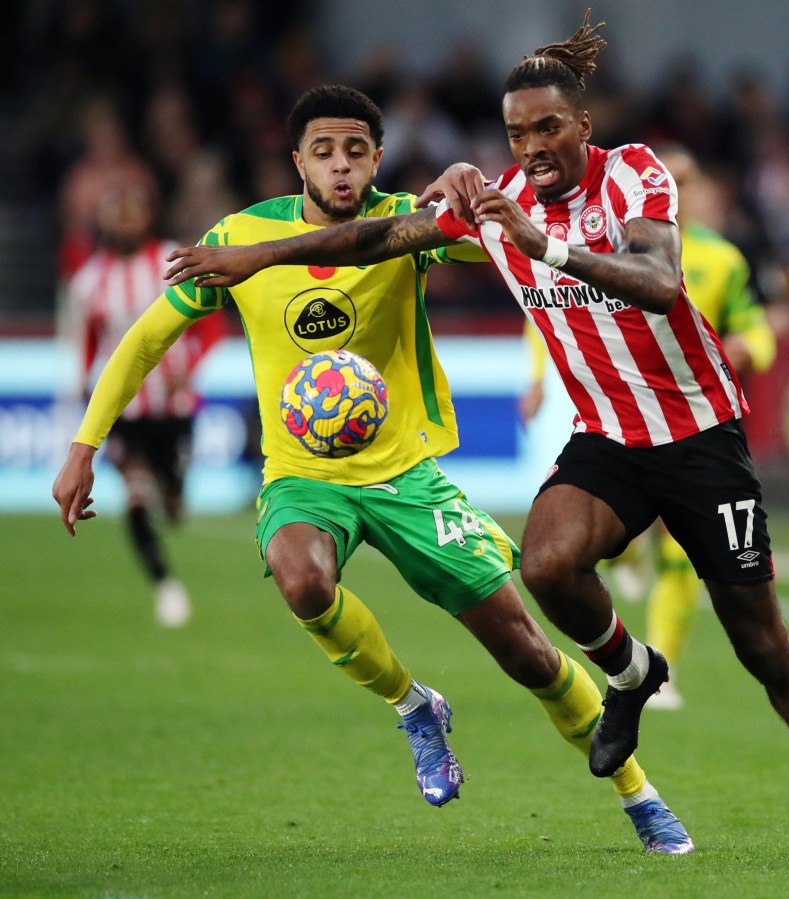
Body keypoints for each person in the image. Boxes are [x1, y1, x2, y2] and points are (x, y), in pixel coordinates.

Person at [162, 13, 789, 863]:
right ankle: (630, 674)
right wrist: (263, 258)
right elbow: (374, 237)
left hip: (699, 436)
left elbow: (660, 283)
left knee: (762, 648)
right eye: (518, 133)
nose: (535, 145)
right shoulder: (494, 205)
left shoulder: (633, 177)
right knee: (545, 563)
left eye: (549, 126)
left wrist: (540, 242)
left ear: (583, 125)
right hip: (610, 439)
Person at [53, 84, 694, 853]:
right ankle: (413, 704)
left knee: (527, 649)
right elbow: (148, 337)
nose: (341, 165)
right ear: (298, 162)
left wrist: (474, 185)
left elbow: (514, 238)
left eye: (356, 150)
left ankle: (641, 795)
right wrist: (85, 445)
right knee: (302, 579)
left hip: (409, 478)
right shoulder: (242, 237)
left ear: (379, 158)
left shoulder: (410, 225)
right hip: (304, 477)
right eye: (323, 151)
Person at [518, 143, 779, 710]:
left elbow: (758, 327)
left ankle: (664, 663)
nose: (677, 189)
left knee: (681, 557)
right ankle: (626, 565)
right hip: (617, 416)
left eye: (686, 180)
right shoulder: (608, 232)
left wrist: (745, 346)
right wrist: (536, 376)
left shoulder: (724, 260)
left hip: (695, 419)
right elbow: (543, 302)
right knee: (575, 545)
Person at [62, 178, 224, 626]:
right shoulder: (91, 280)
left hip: (173, 410)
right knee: (136, 497)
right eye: (117, 210)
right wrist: (83, 386)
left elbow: (211, 327)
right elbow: (91, 340)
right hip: (126, 412)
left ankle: (172, 491)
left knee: (171, 503)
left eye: (134, 210)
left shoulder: (172, 259)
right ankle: (166, 587)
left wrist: (189, 373)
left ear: (148, 216)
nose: (126, 220)